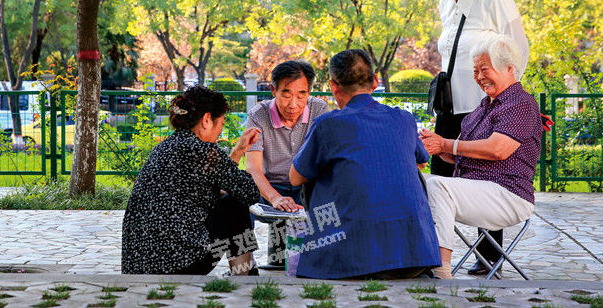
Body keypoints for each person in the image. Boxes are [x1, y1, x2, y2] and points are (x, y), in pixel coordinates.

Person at [425, 0, 529, 274]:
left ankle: (490, 256)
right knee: (439, 173)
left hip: (484, 106)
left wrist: (502, 95)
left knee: (486, 174)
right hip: (450, 106)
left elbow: (519, 50)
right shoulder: (445, 2)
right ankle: (434, 254)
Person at [288, 49, 441, 279]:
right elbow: (420, 163)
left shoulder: (327, 124)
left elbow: (295, 177)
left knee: (311, 179)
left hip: (349, 259)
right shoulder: (404, 119)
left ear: (333, 86)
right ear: (375, 81)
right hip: (413, 257)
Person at [420, 34, 542, 279]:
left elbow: (498, 149)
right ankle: (413, 260)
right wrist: (433, 146)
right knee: (415, 181)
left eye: (484, 69)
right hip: (477, 189)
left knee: (438, 187)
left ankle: (440, 268)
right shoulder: (485, 105)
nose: (479, 77)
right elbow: (463, 155)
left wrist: (448, 143)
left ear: (509, 69)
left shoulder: (521, 104)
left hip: (508, 195)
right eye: (475, 71)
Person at [121, 85, 261, 275]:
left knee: (229, 198)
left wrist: (238, 151)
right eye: (221, 123)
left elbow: (204, 185)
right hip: (180, 265)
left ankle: (245, 274)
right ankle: (245, 276)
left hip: (140, 265)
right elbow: (249, 192)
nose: (221, 130)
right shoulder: (204, 151)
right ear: (206, 120)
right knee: (235, 204)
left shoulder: (165, 147)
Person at [244, 60, 329, 266]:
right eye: (286, 94)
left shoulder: (320, 110)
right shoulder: (258, 115)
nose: (293, 104)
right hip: (270, 189)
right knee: (236, 200)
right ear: (274, 90)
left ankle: (322, 261)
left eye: (301, 95)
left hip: (306, 187)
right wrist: (275, 198)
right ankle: (243, 266)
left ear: (309, 92)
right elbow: (253, 167)